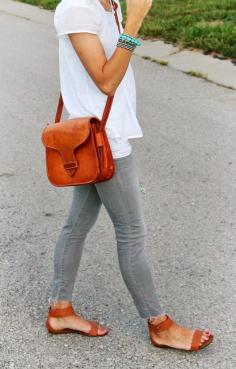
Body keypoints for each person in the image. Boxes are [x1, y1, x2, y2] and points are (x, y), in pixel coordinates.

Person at [45, 0, 214, 351]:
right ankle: (159, 324)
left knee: (76, 226)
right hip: (104, 140)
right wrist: (134, 21)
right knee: (131, 231)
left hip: (101, 136)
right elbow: (106, 81)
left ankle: (60, 310)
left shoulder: (108, 4)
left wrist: (125, 16)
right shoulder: (77, 7)